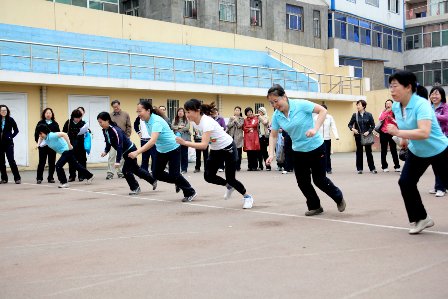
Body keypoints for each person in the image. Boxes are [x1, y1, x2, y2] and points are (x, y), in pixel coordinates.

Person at [265, 84, 345, 216]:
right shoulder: (277, 116)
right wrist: (271, 154)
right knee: (303, 182)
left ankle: (338, 197)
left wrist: (315, 129)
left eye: (275, 101)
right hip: (298, 151)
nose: (274, 105)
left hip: (316, 147)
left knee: (319, 180)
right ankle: (315, 206)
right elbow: (273, 135)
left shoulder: (300, 104)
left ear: (284, 97)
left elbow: (322, 111)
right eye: (271, 103)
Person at [387, 71, 448, 234]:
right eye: (390, 86)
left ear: (408, 87)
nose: (391, 90)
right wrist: (403, 141)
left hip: (439, 150)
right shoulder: (396, 106)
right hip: (418, 151)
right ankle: (421, 218)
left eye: (395, 86)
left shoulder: (422, 104)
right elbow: (407, 128)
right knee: (405, 182)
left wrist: (398, 133)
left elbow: (424, 132)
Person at [176, 100, 254, 209]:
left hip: (228, 148)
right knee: (208, 176)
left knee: (231, 178)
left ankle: (247, 197)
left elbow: (203, 145)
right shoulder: (193, 122)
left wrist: (184, 143)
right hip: (216, 149)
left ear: (197, 111)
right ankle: (229, 186)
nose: (186, 115)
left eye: (189, 112)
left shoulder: (206, 122)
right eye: (186, 112)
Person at [128, 101, 196, 202]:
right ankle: (178, 181)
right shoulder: (146, 120)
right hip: (161, 150)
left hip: (173, 148)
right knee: (156, 174)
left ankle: (190, 191)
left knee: (175, 175)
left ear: (148, 110)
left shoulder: (156, 121)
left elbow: (152, 141)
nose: (138, 113)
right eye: (137, 111)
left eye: (140, 111)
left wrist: (137, 152)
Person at [98, 112, 157, 195]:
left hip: (131, 150)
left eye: (101, 122)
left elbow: (119, 146)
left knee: (125, 170)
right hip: (125, 152)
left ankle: (135, 188)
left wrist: (117, 161)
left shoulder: (115, 130)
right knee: (135, 169)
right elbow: (108, 142)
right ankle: (152, 180)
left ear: (107, 120)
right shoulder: (105, 130)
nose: (100, 124)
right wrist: (105, 151)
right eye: (99, 122)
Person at [347, 100, 377, 174]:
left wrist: (368, 132)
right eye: (357, 105)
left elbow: (373, 125)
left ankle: (372, 168)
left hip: (367, 136)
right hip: (358, 136)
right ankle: (359, 169)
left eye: (359, 105)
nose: (357, 106)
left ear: (363, 106)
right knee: (359, 152)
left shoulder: (369, 115)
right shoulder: (355, 115)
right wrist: (353, 129)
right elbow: (349, 125)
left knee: (369, 152)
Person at [428, 86, 448, 197]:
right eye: (432, 94)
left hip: (444, 138)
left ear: (441, 96)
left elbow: (446, 118)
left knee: (441, 164)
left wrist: (433, 116)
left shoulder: (445, 106)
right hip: (432, 139)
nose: (434, 96)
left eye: (437, 94)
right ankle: (439, 186)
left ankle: (441, 188)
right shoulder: (428, 107)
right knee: (435, 164)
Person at [34, 108, 60, 184]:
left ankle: (50, 177)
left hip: (52, 146)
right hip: (43, 146)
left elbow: (58, 134)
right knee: (42, 161)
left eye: (50, 113)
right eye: (46, 113)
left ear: (52, 114)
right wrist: (38, 143)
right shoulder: (40, 123)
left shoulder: (55, 123)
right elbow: (36, 134)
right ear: (44, 114)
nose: (48, 114)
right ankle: (39, 178)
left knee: (52, 162)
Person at [108, 100, 132, 180]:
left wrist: (127, 136)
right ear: (112, 107)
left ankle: (120, 172)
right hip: (113, 139)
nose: (116, 108)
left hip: (123, 139)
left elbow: (129, 126)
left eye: (117, 106)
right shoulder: (110, 116)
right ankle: (110, 173)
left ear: (119, 105)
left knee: (122, 157)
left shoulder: (125, 114)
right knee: (111, 156)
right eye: (114, 107)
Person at [62, 109, 88, 182]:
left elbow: (88, 132)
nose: (78, 119)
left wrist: (87, 132)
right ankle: (72, 176)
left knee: (82, 160)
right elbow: (64, 132)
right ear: (73, 117)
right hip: (71, 144)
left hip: (81, 145)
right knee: (71, 160)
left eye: (79, 118)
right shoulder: (68, 122)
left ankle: (81, 175)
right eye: (76, 118)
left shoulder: (83, 123)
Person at [314, 104, 339, 174]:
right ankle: (319, 168)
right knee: (318, 154)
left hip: (327, 139)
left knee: (327, 154)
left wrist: (336, 136)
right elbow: (313, 127)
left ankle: (328, 168)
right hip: (318, 139)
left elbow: (333, 126)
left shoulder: (329, 117)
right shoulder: (316, 118)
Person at [0, 104, 21, 184]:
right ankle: (4, 179)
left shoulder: (10, 119)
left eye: (5, 110)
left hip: (8, 143)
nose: (4, 112)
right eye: (2, 110)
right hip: (0, 144)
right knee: (1, 162)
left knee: (11, 160)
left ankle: (17, 178)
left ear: (7, 111)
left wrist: (11, 136)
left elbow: (16, 130)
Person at [378, 100, 400, 173]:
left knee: (393, 150)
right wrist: (385, 112)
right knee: (383, 150)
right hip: (383, 132)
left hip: (392, 132)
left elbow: (398, 122)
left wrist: (392, 119)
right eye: (387, 104)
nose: (388, 105)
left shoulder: (395, 112)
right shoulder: (383, 112)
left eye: (390, 103)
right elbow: (380, 119)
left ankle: (397, 166)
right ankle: (384, 166)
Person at [172, 107, 191, 174]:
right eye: (179, 111)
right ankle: (177, 168)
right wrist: (179, 127)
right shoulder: (175, 119)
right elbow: (172, 126)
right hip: (176, 139)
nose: (180, 112)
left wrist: (178, 129)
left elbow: (187, 127)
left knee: (184, 154)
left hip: (185, 138)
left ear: (184, 113)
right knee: (177, 154)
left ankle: (184, 169)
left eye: (181, 111)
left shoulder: (186, 119)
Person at [226, 106, 244, 171]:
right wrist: (233, 121)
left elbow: (239, 126)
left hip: (238, 138)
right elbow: (228, 125)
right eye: (236, 110)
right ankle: (232, 166)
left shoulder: (242, 119)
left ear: (240, 112)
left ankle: (238, 166)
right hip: (231, 137)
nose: (237, 111)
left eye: (238, 110)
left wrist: (236, 120)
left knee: (239, 153)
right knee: (231, 153)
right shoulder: (231, 118)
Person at [243, 107, 260, 171]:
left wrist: (248, 127)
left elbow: (255, 124)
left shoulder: (255, 118)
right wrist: (249, 129)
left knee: (254, 152)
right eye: (248, 112)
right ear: (246, 113)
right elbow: (244, 128)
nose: (249, 113)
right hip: (247, 137)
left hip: (254, 137)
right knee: (249, 153)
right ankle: (250, 166)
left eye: (250, 111)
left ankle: (255, 166)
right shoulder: (245, 120)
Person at [211, 107, 226, 172]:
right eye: (213, 112)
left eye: (215, 112)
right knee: (214, 152)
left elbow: (224, 127)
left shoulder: (221, 119)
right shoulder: (210, 119)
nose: (214, 114)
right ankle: (215, 167)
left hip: (219, 137)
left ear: (217, 113)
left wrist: (220, 128)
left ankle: (221, 167)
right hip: (213, 138)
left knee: (220, 152)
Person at [257, 106, 271, 171]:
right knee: (259, 152)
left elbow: (265, 123)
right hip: (258, 136)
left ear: (263, 112)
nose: (259, 112)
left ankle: (268, 166)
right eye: (258, 111)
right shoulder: (258, 118)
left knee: (264, 151)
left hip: (264, 136)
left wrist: (259, 117)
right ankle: (260, 166)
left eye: (260, 111)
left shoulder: (266, 117)